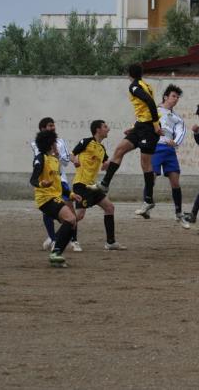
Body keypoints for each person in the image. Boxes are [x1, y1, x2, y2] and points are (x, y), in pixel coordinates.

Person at [89, 64, 162, 219]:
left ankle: (148, 200)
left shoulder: (134, 86)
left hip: (149, 128)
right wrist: (135, 127)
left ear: (129, 74)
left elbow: (149, 102)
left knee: (145, 163)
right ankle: (105, 184)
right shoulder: (145, 84)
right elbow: (144, 109)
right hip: (141, 126)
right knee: (120, 149)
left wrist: (155, 125)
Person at [136, 84, 190, 229]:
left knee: (175, 182)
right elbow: (142, 122)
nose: (176, 99)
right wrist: (134, 131)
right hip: (155, 147)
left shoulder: (177, 118)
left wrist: (175, 142)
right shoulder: (154, 111)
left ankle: (179, 213)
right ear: (166, 97)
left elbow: (181, 131)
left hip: (169, 150)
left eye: (177, 97)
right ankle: (146, 204)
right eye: (173, 96)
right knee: (151, 176)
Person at [71, 120, 126, 251]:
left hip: (93, 186)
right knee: (79, 216)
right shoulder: (86, 142)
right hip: (81, 184)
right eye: (105, 127)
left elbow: (105, 165)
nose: (108, 129)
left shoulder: (102, 149)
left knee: (109, 207)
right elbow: (72, 154)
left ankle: (110, 242)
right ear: (98, 130)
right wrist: (75, 160)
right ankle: (67, 239)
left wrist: (119, 155)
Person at [30, 130, 82, 267]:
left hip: (55, 197)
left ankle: (56, 251)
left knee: (72, 222)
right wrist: (42, 184)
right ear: (49, 144)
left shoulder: (54, 160)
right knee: (70, 219)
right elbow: (33, 179)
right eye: (54, 142)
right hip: (45, 199)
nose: (56, 145)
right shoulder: (40, 158)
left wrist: (71, 195)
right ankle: (56, 252)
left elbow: (58, 183)